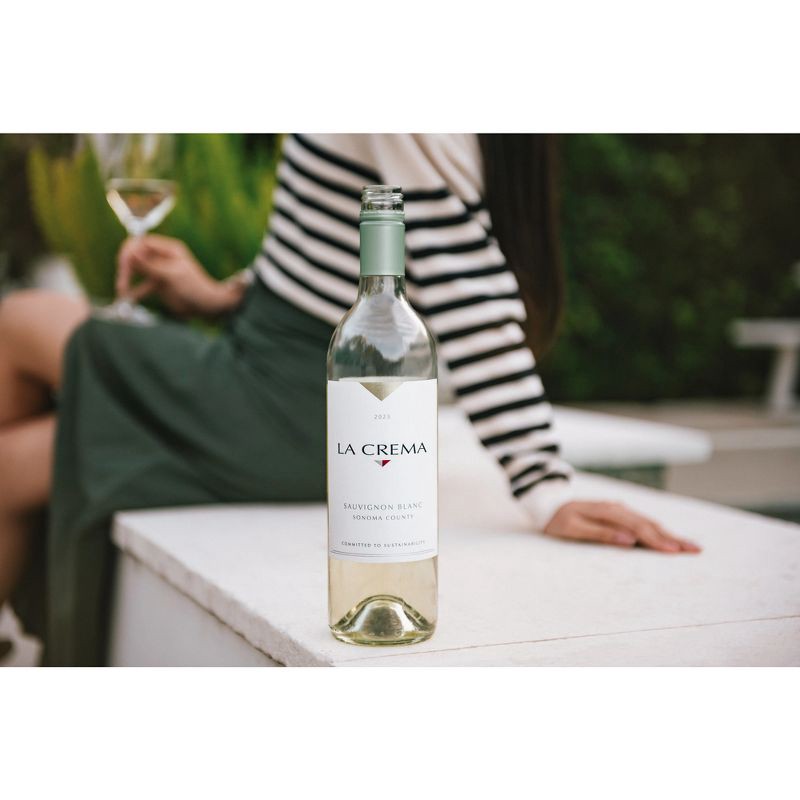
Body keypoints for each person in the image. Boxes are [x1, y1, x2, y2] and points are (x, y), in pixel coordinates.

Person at [0, 134, 700, 665]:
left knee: (20, 323)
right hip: (260, 362)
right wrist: (218, 295)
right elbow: (322, 249)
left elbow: (468, 292)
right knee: (13, 467)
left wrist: (543, 482)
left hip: (304, 404)